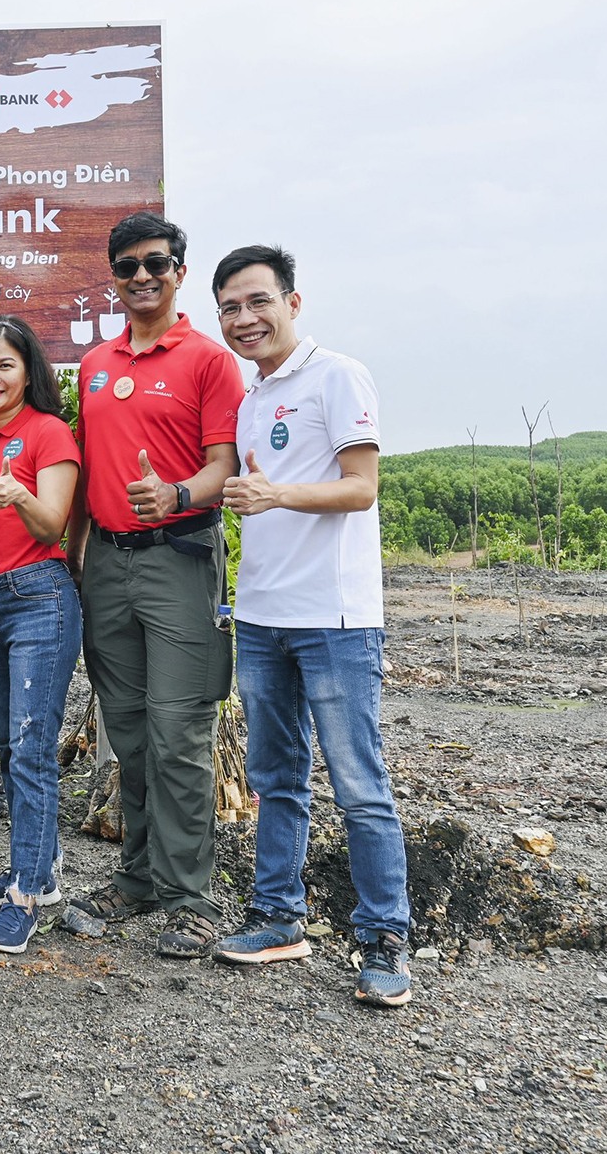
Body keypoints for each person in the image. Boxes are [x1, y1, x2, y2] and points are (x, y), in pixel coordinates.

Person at [206, 244, 412, 1007]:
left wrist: (278, 496)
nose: (245, 318)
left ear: (293, 302)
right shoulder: (251, 398)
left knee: (360, 784)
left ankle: (385, 938)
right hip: (261, 615)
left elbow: (361, 489)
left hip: (335, 618)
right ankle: (276, 917)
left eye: (258, 301)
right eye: (230, 307)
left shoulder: (338, 376)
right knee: (275, 779)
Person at [67, 211, 246, 960]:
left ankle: (190, 896)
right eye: (128, 266)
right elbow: (81, 472)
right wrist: (72, 562)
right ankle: (137, 878)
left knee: (179, 733)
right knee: (131, 733)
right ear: (112, 276)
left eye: (157, 264)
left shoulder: (207, 359)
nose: (142, 276)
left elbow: (225, 464)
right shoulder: (93, 364)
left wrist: (175, 494)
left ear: (178, 271)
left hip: (180, 554)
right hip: (105, 561)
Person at [0, 316, 82, 955]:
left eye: (4, 364)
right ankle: (41, 866)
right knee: (9, 743)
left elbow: (53, 522)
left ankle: (28, 893)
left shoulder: (49, 432)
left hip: (39, 597)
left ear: (28, 369)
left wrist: (18, 494)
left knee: (31, 746)